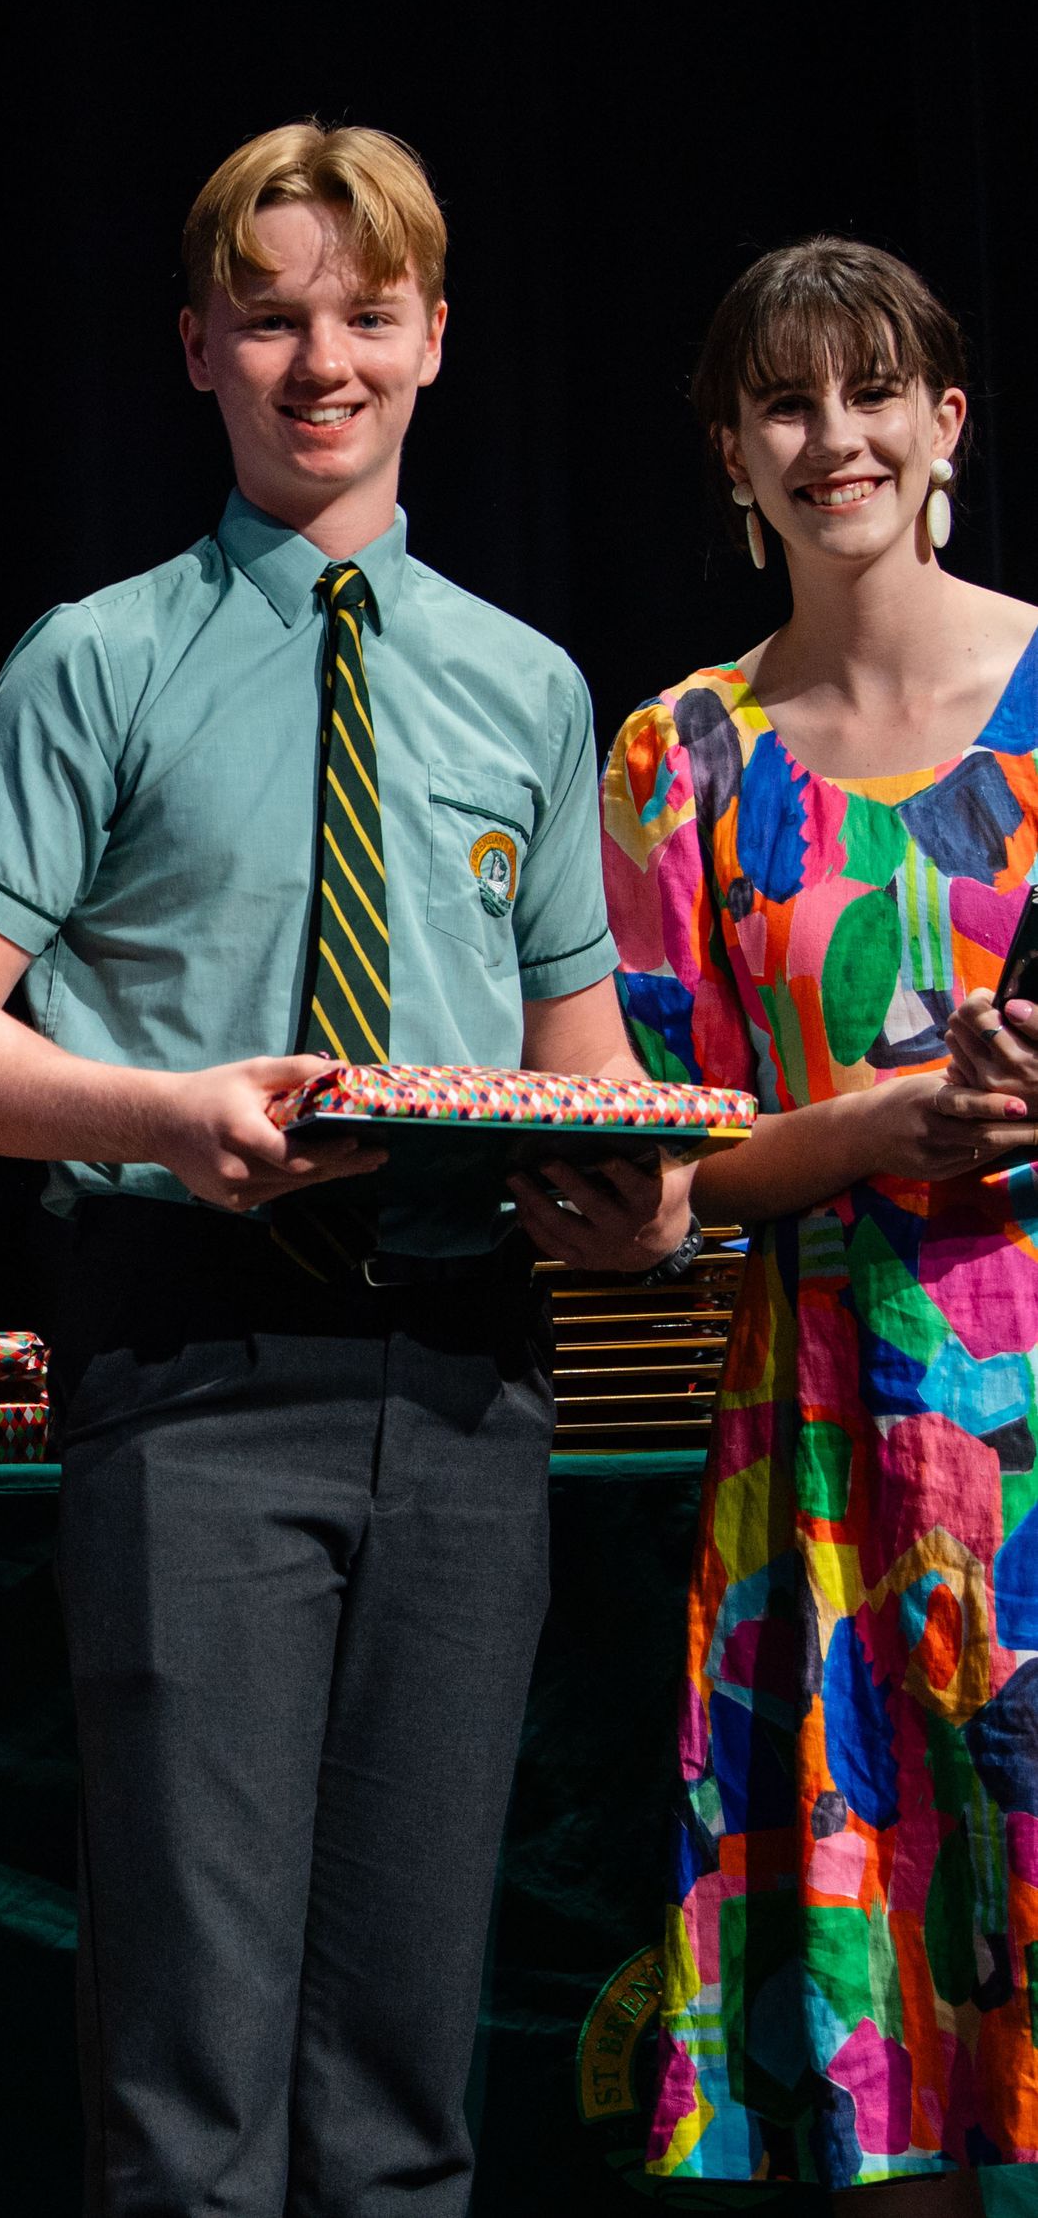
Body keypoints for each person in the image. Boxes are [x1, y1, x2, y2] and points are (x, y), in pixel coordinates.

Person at [0, 120, 696, 2216]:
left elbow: (576, 1057)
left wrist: (643, 1196)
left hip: (470, 1376)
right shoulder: (102, 655)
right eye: (269, 318)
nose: (320, 360)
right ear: (195, 350)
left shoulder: (520, 682)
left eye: (364, 316)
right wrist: (164, 1110)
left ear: (433, 341)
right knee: (196, 2056)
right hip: (195, 1369)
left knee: (408, 2053)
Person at [606, 238, 1038, 2212]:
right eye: (784, 403)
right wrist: (878, 1121)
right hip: (816, 1453)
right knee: (879, 2058)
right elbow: (660, 1171)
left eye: (871, 393)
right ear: (732, 452)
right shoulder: (678, 755)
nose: (832, 437)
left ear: (945, 422)